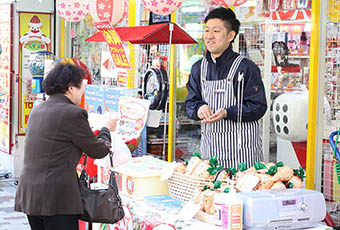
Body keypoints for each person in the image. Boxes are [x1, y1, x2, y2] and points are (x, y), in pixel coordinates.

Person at [14, 63, 118, 230]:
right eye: (80, 87)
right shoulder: (72, 113)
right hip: (56, 198)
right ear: (70, 88)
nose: (82, 91)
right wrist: (106, 129)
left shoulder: (38, 110)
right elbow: (98, 150)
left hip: (31, 194)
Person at [185, 7, 267, 169]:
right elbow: (190, 104)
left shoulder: (245, 68)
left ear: (231, 36)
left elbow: (258, 107)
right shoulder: (197, 68)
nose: (209, 36)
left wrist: (228, 112)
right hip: (211, 154)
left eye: (216, 31)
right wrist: (199, 108)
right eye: (207, 30)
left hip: (243, 156)